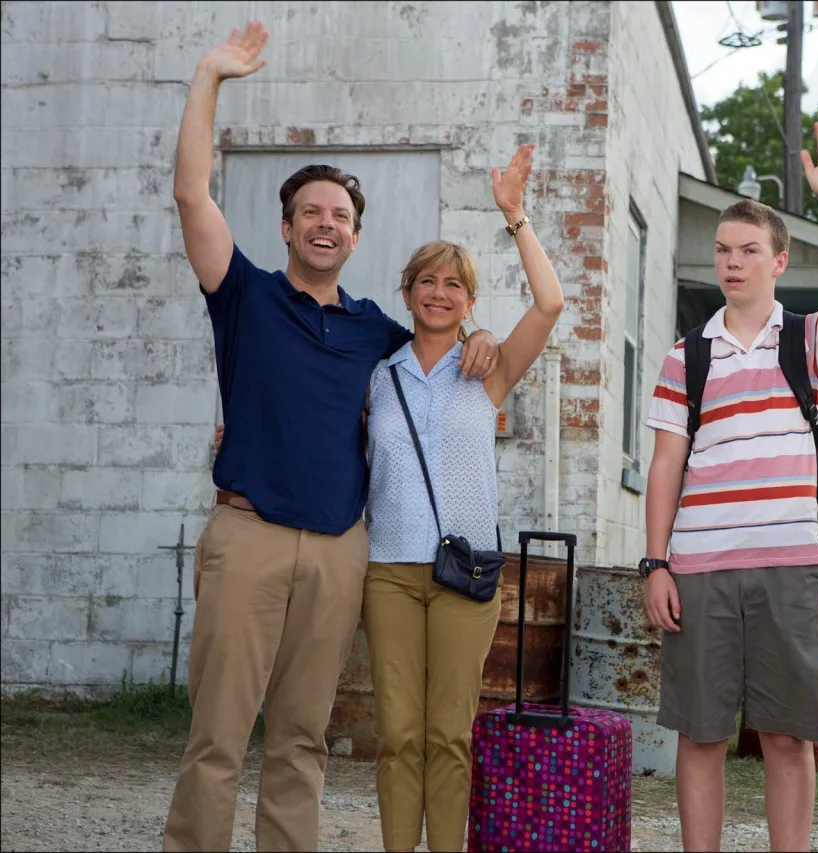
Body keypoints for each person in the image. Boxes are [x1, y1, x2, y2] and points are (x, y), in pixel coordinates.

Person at [163, 22, 500, 852]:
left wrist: (480, 336)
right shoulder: (243, 294)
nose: (325, 223)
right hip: (248, 535)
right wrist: (209, 77)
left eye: (340, 215)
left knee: (302, 740)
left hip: (340, 552)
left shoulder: (375, 331)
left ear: (355, 236)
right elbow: (192, 195)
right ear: (285, 228)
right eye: (310, 212)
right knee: (218, 738)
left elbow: (437, 343)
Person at [640, 117, 818, 852]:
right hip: (698, 570)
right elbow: (665, 464)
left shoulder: (808, 342)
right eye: (723, 250)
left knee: (787, 738)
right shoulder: (685, 356)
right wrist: (655, 563)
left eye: (748, 250)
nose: (732, 261)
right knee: (701, 735)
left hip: (789, 568)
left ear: (778, 261)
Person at [360, 143, 563, 853]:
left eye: (454, 284)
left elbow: (551, 303)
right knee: (398, 733)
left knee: (449, 733)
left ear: (470, 301)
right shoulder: (377, 375)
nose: (439, 292)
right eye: (427, 281)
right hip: (388, 570)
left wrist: (516, 216)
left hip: (465, 572)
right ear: (408, 292)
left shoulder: (488, 370)